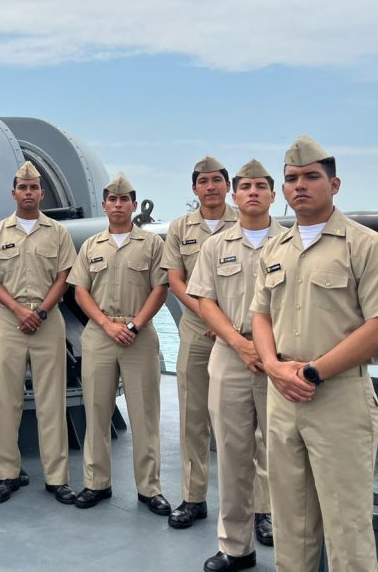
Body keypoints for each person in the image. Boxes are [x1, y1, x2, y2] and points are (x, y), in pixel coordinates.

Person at [251, 136, 378, 572]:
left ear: (334, 185)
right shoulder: (275, 250)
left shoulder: (367, 245)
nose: (301, 185)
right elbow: (260, 315)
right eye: (292, 178)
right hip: (282, 396)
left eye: (312, 177)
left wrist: (312, 373)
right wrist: (276, 367)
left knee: (346, 526)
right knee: (290, 524)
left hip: (338, 398)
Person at [187, 160, 283, 572]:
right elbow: (205, 300)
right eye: (246, 187)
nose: (253, 193)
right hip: (231, 353)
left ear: (272, 195)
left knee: (281, 452)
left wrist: (265, 350)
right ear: (235, 195)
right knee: (232, 451)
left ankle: (288, 539)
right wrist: (239, 343)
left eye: (261, 186)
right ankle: (235, 546)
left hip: (281, 356)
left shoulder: (291, 242)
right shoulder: (216, 246)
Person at [67, 172, 172, 514]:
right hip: (100, 334)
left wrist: (134, 324)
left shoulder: (152, 245)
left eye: (123, 199)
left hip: (138, 333)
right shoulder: (92, 246)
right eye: (112, 199)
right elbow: (80, 290)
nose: (117, 205)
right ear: (104, 205)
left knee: (145, 414)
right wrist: (105, 325)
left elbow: (160, 287)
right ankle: (96, 483)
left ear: (132, 203)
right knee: (96, 410)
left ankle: (149, 488)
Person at [0, 160, 77, 506]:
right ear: (13, 193)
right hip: (8, 319)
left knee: (51, 400)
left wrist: (42, 310)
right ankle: (5, 473)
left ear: (41, 193)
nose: (29, 193)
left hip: (47, 319)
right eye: (23, 187)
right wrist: (18, 310)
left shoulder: (58, 233)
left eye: (34, 188)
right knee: (6, 399)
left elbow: (64, 276)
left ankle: (57, 477)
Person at [161, 155, 241, 530]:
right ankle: (194, 499)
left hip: (239, 331)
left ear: (228, 186)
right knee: (193, 416)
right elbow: (176, 279)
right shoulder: (180, 228)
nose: (210, 187)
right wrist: (209, 315)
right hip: (196, 329)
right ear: (194, 189)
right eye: (203, 181)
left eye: (217, 180)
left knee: (246, 423)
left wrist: (225, 322)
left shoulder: (245, 223)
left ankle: (258, 508)